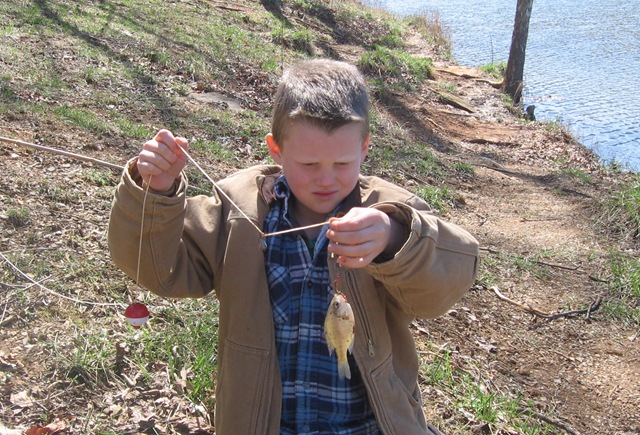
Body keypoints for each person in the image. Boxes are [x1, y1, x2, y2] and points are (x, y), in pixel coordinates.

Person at [108, 58, 479, 434]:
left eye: (342, 163)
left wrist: (394, 237)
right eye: (309, 164)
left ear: (365, 147)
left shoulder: (390, 210)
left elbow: (443, 289)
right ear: (276, 149)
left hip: (369, 425)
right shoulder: (237, 209)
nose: (326, 179)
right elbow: (161, 270)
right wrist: (155, 192)